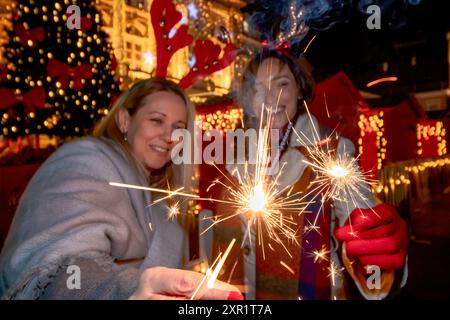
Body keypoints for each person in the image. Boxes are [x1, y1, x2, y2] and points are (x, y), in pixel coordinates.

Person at [0, 78, 243, 300]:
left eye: (178, 127)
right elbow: (64, 267)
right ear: (125, 120)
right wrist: (123, 290)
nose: (169, 136)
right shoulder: (88, 159)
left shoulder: (158, 198)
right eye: (157, 120)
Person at [210, 49, 408, 300]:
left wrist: (377, 253)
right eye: (258, 89)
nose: (271, 98)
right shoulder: (235, 153)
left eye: (281, 84)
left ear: (300, 89)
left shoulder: (333, 151)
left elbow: (359, 219)